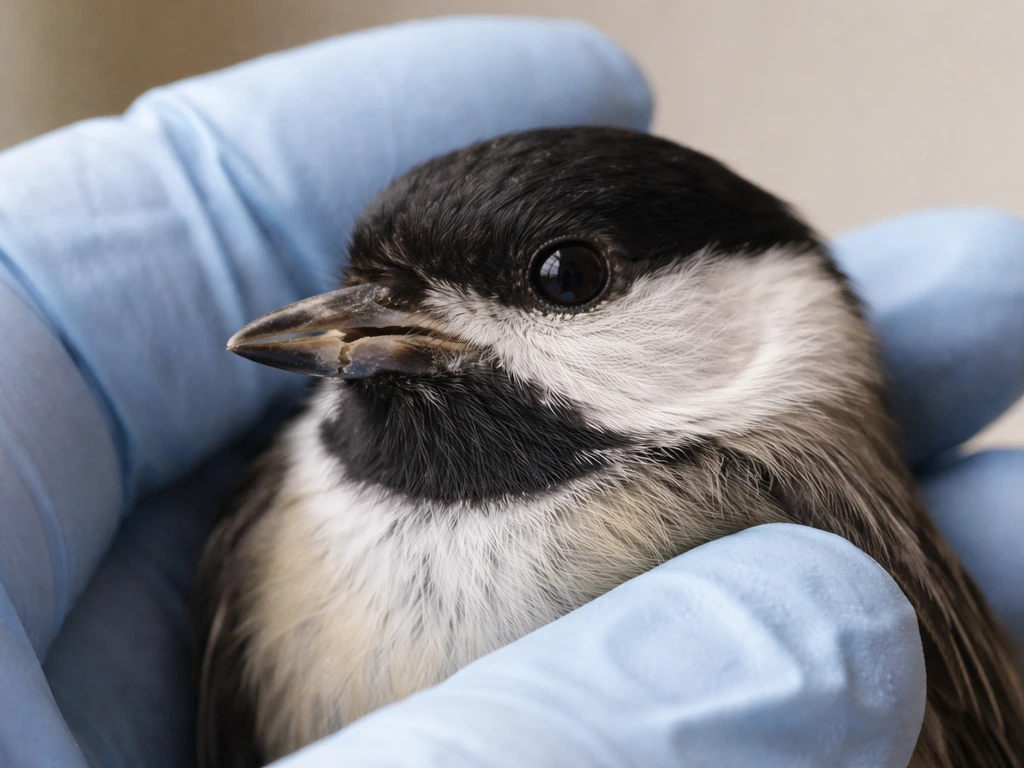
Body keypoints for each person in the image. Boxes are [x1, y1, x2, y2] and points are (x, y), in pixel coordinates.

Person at [0, 16, 1021, 768]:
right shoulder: (274, 518)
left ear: (756, 315)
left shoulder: (787, 539)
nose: (383, 326)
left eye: (563, 282)